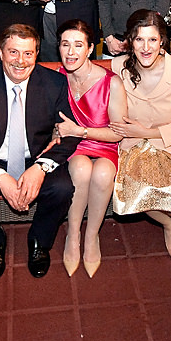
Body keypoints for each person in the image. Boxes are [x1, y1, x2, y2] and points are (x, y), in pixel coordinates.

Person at [0, 24, 79, 281]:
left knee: (63, 188)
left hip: (34, 158)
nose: (20, 61)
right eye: (13, 52)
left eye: (28, 53)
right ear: (1, 52)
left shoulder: (54, 83)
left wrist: (40, 167)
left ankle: (39, 241)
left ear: (36, 54)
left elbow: (69, 134)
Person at [109, 10, 171, 264]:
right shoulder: (118, 66)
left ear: (162, 41)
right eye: (139, 39)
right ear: (130, 41)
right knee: (138, 190)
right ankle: (169, 225)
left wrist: (147, 131)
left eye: (152, 40)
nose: (146, 47)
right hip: (134, 145)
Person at [54, 19, 127, 278]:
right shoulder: (56, 78)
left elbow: (118, 133)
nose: (71, 52)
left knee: (104, 173)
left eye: (78, 45)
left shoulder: (111, 83)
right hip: (72, 147)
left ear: (89, 49)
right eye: (65, 45)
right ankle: (73, 234)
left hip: (104, 142)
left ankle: (92, 235)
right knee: (82, 168)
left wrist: (81, 131)